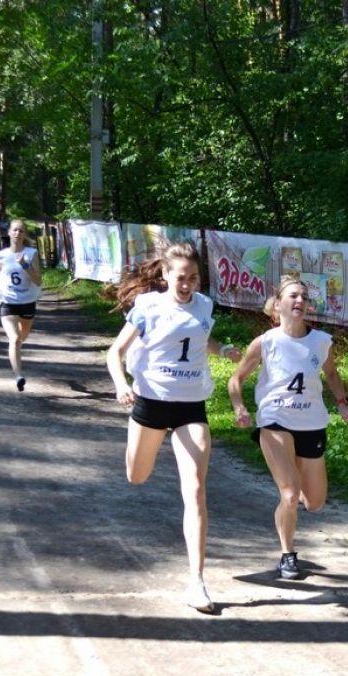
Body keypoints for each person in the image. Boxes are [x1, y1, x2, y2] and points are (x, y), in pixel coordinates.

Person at [105, 241, 241, 614]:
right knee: (136, 476)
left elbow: (200, 339)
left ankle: (197, 581)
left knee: (195, 491)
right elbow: (115, 352)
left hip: (190, 407)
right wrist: (121, 385)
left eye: (194, 278)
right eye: (181, 277)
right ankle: (139, 447)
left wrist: (222, 350)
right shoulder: (148, 307)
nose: (187, 284)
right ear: (165, 275)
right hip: (150, 403)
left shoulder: (204, 306)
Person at [227, 275, 348, 580]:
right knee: (289, 494)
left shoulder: (321, 341)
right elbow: (236, 379)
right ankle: (288, 555)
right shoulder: (266, 342)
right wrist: (239, 407)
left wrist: (342, 402)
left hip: (312, 423)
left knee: (315, 503)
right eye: (293, 296)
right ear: (278, 305)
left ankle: (294, 496)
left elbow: (331, 373)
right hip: (275, 419)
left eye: (304, 297)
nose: (300, 301)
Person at [0, 219, 42, 392]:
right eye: (14, 230)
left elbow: (38, 281)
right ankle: (18, 376)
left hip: (27, 301)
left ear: (24, 234)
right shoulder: (2, 254)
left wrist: (25, 265)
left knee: (22, 337)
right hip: (8, 301)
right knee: (14, 339)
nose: (17, 233)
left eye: (21, 231)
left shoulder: (31, 253)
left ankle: (17, 353)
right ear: (9, 233)